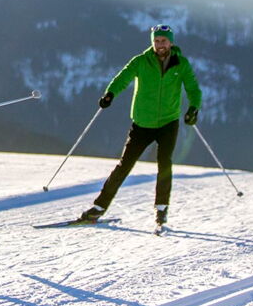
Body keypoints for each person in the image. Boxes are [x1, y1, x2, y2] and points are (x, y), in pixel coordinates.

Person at [79, 24, 202, 230]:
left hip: (168, 122)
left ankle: (162, 209)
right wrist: (110, 94)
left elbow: (193, 88)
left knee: (164, 163)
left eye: (163, 41)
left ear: (171, 42)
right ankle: (99, 207)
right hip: (142, 123)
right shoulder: (141, 61)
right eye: (156, 41)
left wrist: (193, 108)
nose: (159, 44)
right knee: (124, 165)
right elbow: (122, 78)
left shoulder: (181, 64)